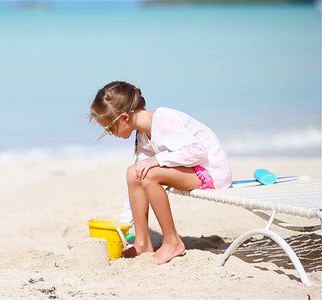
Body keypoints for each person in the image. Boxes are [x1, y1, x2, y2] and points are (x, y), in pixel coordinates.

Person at [89, 81, 232, 264]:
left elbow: (198, 152)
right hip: (191, 170)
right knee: (134, 172)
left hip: (211, 170)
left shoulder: (163, 120)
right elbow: (136, 181)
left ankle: (172, 242)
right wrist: (123, 225)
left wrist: (157, 160)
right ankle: (142, 243)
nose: (110, 133)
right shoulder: (142, 135)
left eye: (109, 128)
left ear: (124, 117)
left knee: (149, 174)